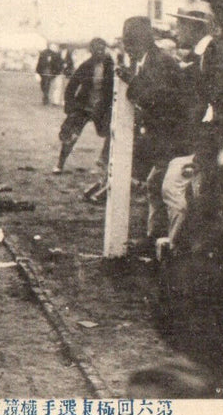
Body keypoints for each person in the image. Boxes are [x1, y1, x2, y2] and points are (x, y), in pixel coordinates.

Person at [116, 16, 189, 253]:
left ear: (142, 41)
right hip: (163, 135)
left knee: (163, 186)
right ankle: (156, 237)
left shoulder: (160, 62)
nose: (127, 48)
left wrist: (132, 82)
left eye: (130, 42)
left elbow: (159, 100)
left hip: (174, 135)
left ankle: (170, 240)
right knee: (155, 184)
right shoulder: (150, 60)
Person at [159, 11, 223, 252]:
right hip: (204, 135)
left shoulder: (211, 52)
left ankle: (177, 247)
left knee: (177, 186)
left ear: (194, 28)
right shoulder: (202, 54)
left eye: (181, 26)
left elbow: (214, 99)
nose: (177, 32)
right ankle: (179, 244)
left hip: (211, 136)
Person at [53, 37, 114, 174]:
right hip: (84, 106)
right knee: (71, 134)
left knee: (112, 131)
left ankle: (103, 160)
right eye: (96, 49)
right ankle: (60, 164)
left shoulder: (111, 65)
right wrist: (70, 107)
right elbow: (71, 86)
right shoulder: (86, 65)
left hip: (102, 108)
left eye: (102, 49)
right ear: (91, 51)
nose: (100, 52)